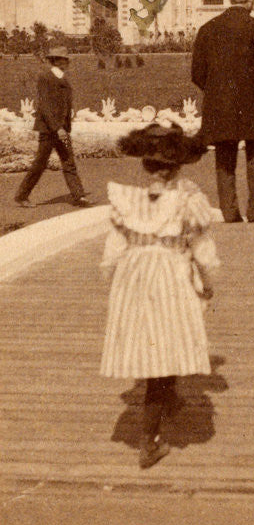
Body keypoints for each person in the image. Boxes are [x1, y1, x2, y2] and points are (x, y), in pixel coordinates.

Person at [100, 122, 217, 469]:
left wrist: (114, 279)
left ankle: (170, 399)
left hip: (134, 277)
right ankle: (148, 441)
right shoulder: (187, 202)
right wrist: (207, 278)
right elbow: (202, 249)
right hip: (169, 275)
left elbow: (113, 249)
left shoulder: (128, 200)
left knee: (153, 343)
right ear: (178, 168)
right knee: (164, 350)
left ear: (145, 167)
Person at [190, 0, 254, 223]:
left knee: (224, 160)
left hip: (219, 105)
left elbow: (197, 73)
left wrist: (216, 92)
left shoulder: (208, 29)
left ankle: (230, 213)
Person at [14, 45, 90, 208]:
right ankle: (21, 196)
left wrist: (65, 127)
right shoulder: (45, 77)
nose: (66, 62)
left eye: (66, 60)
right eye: (62, 59)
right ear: (54, 61)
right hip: (49, 130)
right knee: (40, 164)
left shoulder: (64, 79)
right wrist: (58, 128)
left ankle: (79, 196)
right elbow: (45, 106)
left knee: (69, 162)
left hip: (62, 130)